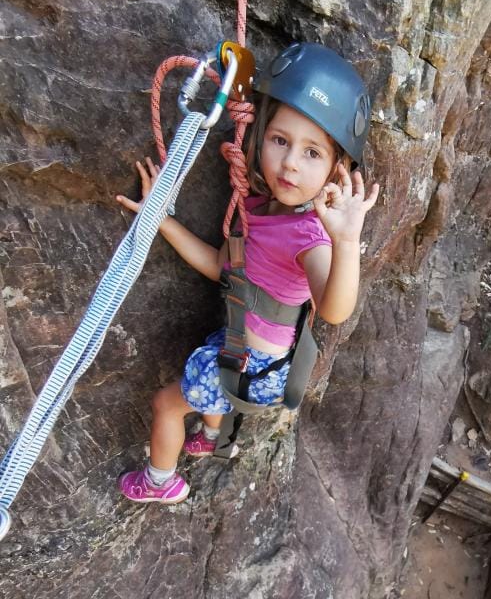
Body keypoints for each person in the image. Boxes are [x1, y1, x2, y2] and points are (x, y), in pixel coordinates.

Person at [116, 42, 379, 504]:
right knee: (212, 376)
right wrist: (159, 218)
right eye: (280, 141)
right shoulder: (260, 207)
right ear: (260, 137)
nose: (290, 162)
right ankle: (211, 436)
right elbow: (220, 265)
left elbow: (334, 310)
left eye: (312, 153)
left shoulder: (310, 239)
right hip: (245, 354)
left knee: (166, 406)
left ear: (336, 170)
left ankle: (160, 482)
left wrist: (344, 240)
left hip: (252, 367)